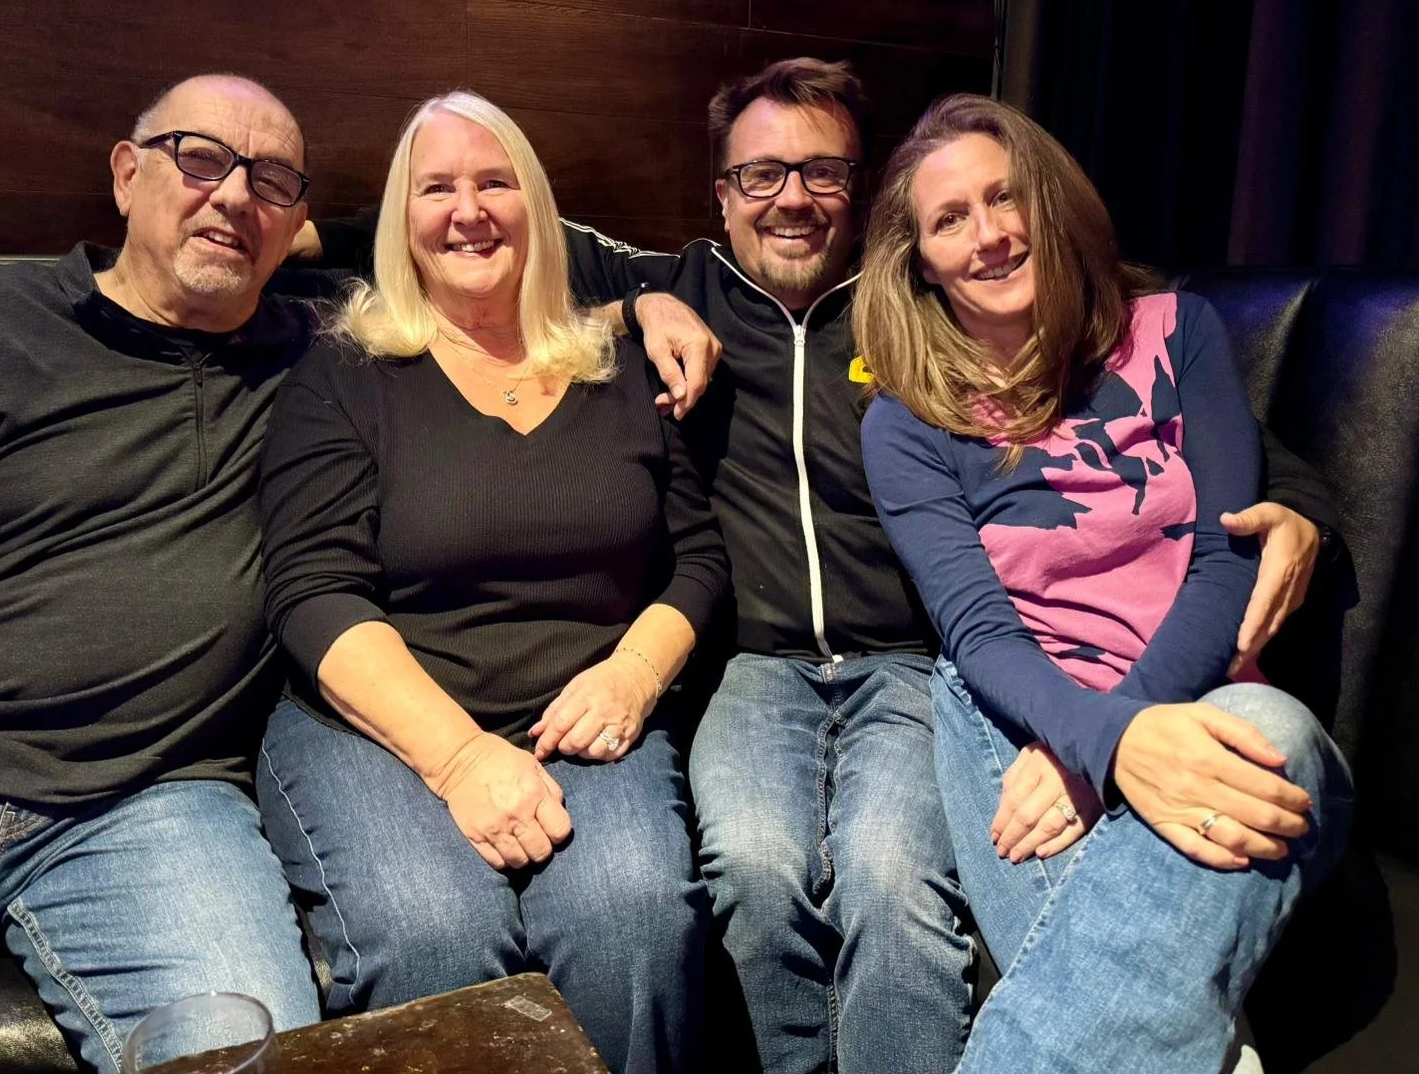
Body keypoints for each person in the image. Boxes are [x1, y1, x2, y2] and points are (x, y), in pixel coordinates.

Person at [299, 57, 1340, 1074]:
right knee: (752, 866)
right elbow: (478, 249)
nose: (790, 198)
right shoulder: (681, 288)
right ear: (721, 193)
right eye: (761, 174)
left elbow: (1147, 418)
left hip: (901, 657)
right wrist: (633, 309)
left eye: (821, 170)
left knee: (892, 880)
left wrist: (1299, 498)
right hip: (750, 664)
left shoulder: (918, 313)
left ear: (863, 189)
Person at [0, 74, 322, 1071]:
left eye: (269, 180)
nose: (231, 195)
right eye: (200, 159)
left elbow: (485, 281)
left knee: (253, 1060)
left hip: (154, 804)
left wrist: (644, 309)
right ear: (124, 174)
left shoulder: (320, 350)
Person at [853, 93, 1353, 1073]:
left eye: (1005, 200)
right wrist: (1103, 742)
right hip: (1013, 713)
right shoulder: (904, 420)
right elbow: (979, 635)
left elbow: (1223, 555)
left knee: (1278, 736)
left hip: (1203, 687)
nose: (990, 235)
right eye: (950, 220)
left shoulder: (1177, 332)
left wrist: (1112, 742)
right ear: (919, 260)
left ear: (1048, 201)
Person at [254, 91, 726, 1074]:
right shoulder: (344, 369)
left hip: (585, 718)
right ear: (402, 222)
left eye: (494, 182)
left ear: (536, 209)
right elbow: (312, 590)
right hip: (377, 731)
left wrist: (634, 675)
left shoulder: (618, 368)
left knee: (631, 920)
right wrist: (462, 760)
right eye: (437, 188)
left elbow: (698, 559)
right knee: (437, 936)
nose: (468, 209)